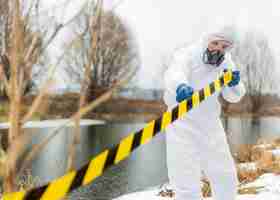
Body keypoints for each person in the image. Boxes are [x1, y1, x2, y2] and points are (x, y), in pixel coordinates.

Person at [163, 27, 246, 200]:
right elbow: (174, 73)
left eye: (224, 46)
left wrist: (234, 85)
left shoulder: (226, 63)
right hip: (182, 123)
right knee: (186, 178)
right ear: (205, 40)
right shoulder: (188, 55)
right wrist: (180, 85)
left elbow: (233, 97)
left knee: (225, 175)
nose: (219, 49)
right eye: (215, 43)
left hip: (210, 124)